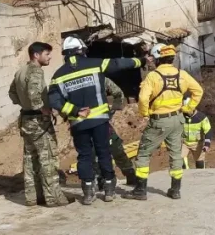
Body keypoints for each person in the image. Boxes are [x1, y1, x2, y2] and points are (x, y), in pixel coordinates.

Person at [47, 36, 144, 205]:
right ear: (81, 51)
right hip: (100, 121)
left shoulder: (58, 75)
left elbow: (54, 101)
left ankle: (88, 192)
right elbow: (118, 64)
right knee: (104, 152)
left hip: (78, 123)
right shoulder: (95, 63)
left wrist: (75, 111)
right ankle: (108, 190)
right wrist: (140, 61)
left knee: (84, 156)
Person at [130, 44, 203, 201]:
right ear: (172, 59)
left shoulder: (152, 76)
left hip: (159, 121)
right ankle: (175, 190)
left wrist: (144, 113)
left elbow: (143, 98)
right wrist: (188, 107)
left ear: (157, 59)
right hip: (178, 119)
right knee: (176, 154)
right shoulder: (182, 74)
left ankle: (140, 190)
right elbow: (198, 91)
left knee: (143, 153)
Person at [9, 42, 70, 207]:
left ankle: (32, 197)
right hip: (38, 123)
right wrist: (42, 109)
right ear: (36, 55)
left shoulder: (20, 72)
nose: (49, 57)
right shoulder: (35, 72)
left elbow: (12, 93)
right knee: (48, 159)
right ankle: (53, 198)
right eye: (47, 54)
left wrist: (24, 103)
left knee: (30, 159)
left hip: (26, 121)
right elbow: (34, 94)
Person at [91, 78, 137, 190]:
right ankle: (101, 179)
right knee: (94, 154)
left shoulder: (98, 77)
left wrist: (112, 109)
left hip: (103, 124)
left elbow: (118, 92)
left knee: (116, 149)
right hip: (86, 125)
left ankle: (130, 174)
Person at [182, 97, 213, 170]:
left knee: (199, 163)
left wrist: (207, 144)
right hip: (184, 143)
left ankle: (201, 178)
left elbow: (208, 130)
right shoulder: (181, 116)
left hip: (198, 143)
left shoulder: (201, 117)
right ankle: (186, 173)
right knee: (180, 160)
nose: (186, 111)